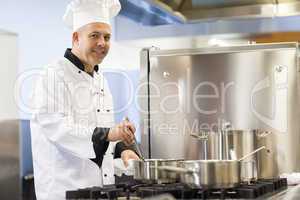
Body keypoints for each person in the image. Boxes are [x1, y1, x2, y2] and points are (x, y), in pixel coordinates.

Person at [30, 0, 139, 199]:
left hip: (99, 191)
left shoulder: (100, 80)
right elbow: (59, 129)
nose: (102, 43)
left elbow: (100, 133)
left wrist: (122, 149)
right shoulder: (54, 75)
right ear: (76, 38)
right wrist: (109, 134)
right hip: (63, 191)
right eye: (94, 35)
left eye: (107, 37)